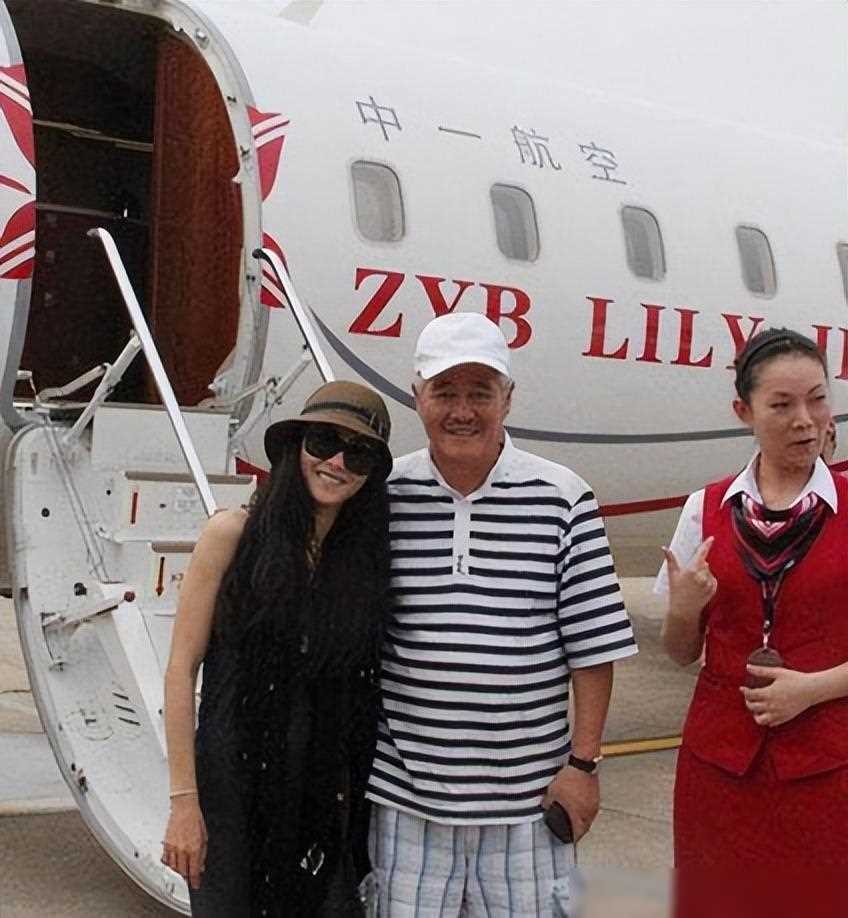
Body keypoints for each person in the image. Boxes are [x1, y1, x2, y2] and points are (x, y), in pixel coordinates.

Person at [367, 312, 637, 917]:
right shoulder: (385, 495)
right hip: (407, 805)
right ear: (416, 396)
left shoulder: (564, 497)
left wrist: (583, 766)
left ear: (508, 399)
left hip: (529, 807)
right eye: (445, 392)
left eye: (481, 393)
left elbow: (593, 648)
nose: (462, 411)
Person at [161, 381, 393, 917]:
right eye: (323, 442)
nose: (337, 462)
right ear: (296, 448)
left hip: (320, 798)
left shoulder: (361, 565)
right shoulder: (232, 534)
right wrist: (184, 804)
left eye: (358, 454)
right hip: (231, 790)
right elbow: (180, 670)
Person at [657, 328, 848, 915]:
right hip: (719, 770)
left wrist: (812, 689)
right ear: (744, 412)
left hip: (828, 769)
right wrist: (684, 608)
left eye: (817, 399)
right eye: (782, 405)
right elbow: (680, 651)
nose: (805, 421)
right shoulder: (706, 508)